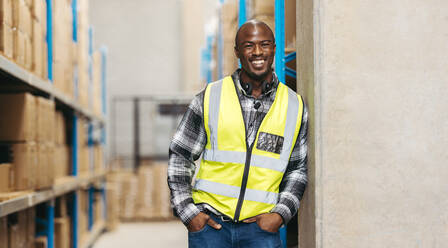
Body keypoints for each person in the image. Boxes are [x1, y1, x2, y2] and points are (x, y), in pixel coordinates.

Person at [168, 20, 308, 248]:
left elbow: (298, 170)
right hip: (210, 227)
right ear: (237, 52)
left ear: (274, 48)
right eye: (249, 46)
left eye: (264, 44)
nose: (257, 52)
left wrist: (280, 215)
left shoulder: (294, 106)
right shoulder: (210, 97)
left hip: (261, 231)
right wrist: (188, 212)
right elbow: (180, 155)